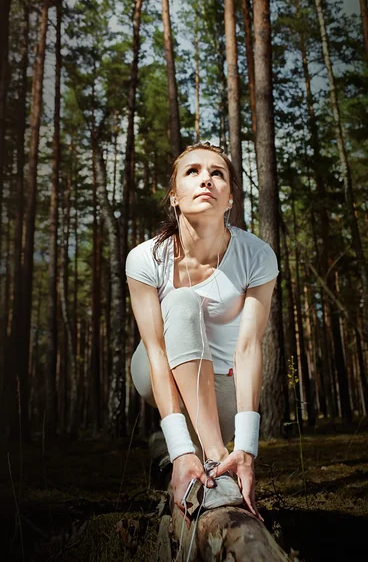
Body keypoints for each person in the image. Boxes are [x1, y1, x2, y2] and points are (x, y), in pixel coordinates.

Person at [125, 142, 278, 522]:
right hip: (155, 374)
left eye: (217, 173)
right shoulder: (145, 258)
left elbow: (247, 350)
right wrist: (183, 451)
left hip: (224, 391)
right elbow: (156, 353)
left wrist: (245, 449)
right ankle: (207, 453)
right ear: (174, 196)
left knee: (188, 308)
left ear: (229, 200)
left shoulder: (257, 255)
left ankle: (194, 446)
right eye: (192, 172)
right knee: (180, 302)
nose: (205, 179)